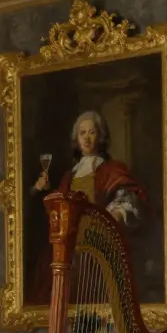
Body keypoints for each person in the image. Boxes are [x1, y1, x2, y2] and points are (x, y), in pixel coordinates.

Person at [28, 110, 146, 303]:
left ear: (100, 137)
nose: (87, 138)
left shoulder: (111, 169)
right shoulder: (69, 175)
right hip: (71, 242)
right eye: (82, 133)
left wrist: (111, 215)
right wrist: (40, 190)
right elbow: (55, 211)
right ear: (77, 138)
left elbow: (130, 198)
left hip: (97, 240)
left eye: (92, 132)